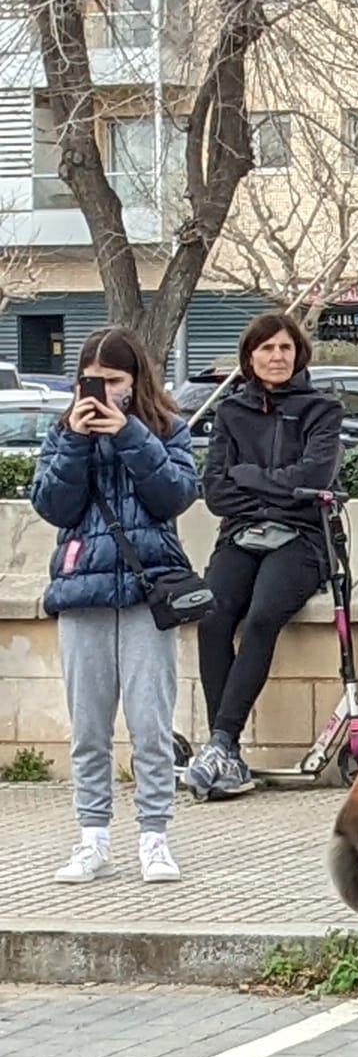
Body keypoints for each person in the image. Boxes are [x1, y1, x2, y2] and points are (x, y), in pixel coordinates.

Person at [30, 327, 199, 883]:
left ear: (136, 381)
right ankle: (92, 837)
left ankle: (155, 835)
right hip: (84, 590)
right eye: (94, 382)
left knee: (150, 722)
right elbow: (53, 506)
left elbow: (174, 495)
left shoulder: (167, 430)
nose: (104, 393)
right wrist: (78, 443)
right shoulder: (62, 433)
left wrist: (130, 434)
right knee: (89, 727)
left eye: (116, 382)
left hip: (148, 592)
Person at [185, 312, 342, 799]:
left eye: (285, 349)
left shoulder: (322, 409)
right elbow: (215, 491)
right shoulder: (231, 412)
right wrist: (274, 488)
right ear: (249, 358)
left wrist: (250, 477)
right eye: (266, 349)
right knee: (212, 616)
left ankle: (219, 744)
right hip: (241, 534)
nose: (277, 357)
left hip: (302, 538)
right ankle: (225, 751)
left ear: (298, 355)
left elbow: (314, 481)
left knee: (261, 618)